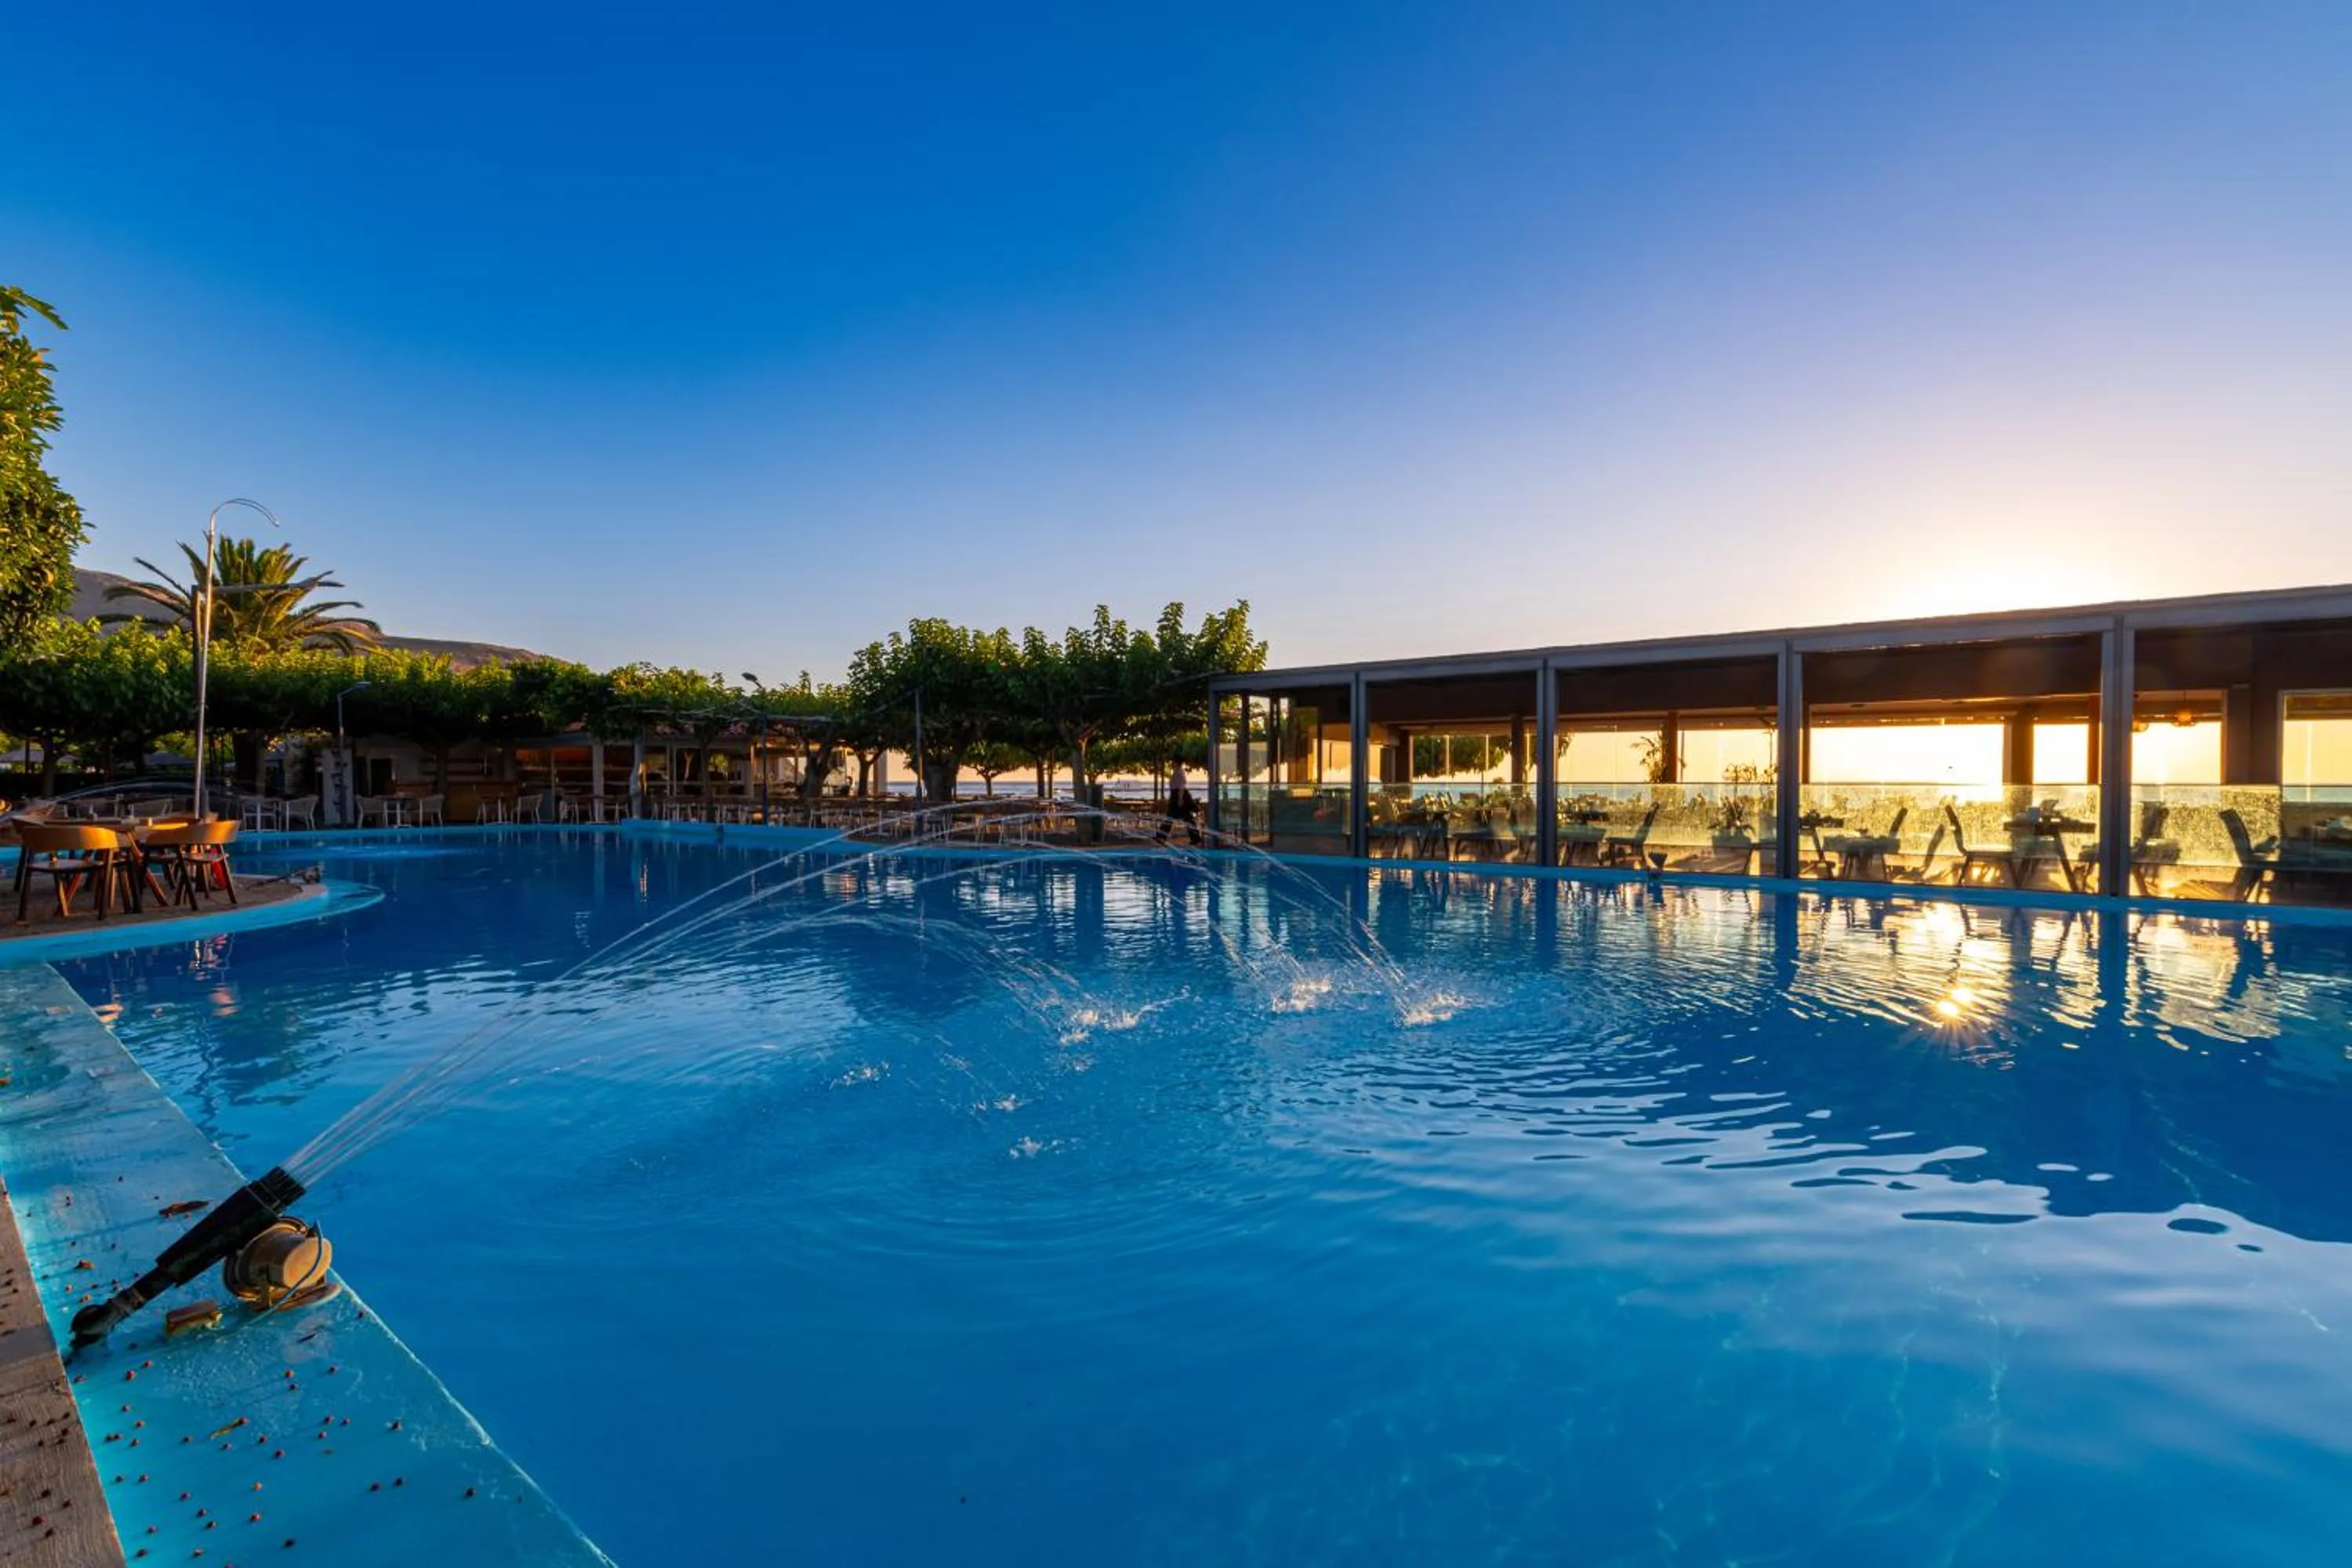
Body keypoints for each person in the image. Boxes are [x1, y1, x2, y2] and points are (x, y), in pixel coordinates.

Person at [1160, 764, 1203, 846]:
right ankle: (1195, 838)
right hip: (1177, 797)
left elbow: (1181, 786)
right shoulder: (1178, 772)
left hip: (1178, 798)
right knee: (1186, 818)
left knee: (1173, 818)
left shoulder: (1179, 772)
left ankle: (1161, 836)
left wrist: (1180, 799)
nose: (1171, 764)